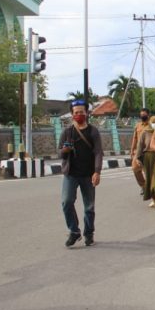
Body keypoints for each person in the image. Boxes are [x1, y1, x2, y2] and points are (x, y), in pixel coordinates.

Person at [58, 100, 103, 247]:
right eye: (76, 112)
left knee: (89, 207)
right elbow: (60, 153)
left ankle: (89, 233)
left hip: (88, 174)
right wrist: (65, 150)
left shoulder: (92, 131)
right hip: (71, 173)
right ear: (72, 114)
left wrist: (97, 172)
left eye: (81, 112)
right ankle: (74, 231)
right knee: (66, 202)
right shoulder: (67, 132)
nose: (79, 115)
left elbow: (98, 152)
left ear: (87, 113)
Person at [138, 115, 155, 208]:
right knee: (149, 178)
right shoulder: (145, 132)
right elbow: (140, 145)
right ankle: (153, 199)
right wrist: (138, 158)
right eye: (154, 122)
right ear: (150, 122)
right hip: (147, 157)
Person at [130, 108, 151, 198]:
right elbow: (135, 138)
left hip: (148, 151)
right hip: (139, 152)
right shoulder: (138, 126)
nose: (142, 116)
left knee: (148, 172)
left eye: (144, 114)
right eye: (141, 114)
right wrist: (132, 150)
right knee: (135, 169)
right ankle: (143, 186)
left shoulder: (152, 125)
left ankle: (152, 190)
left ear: (148, 115)